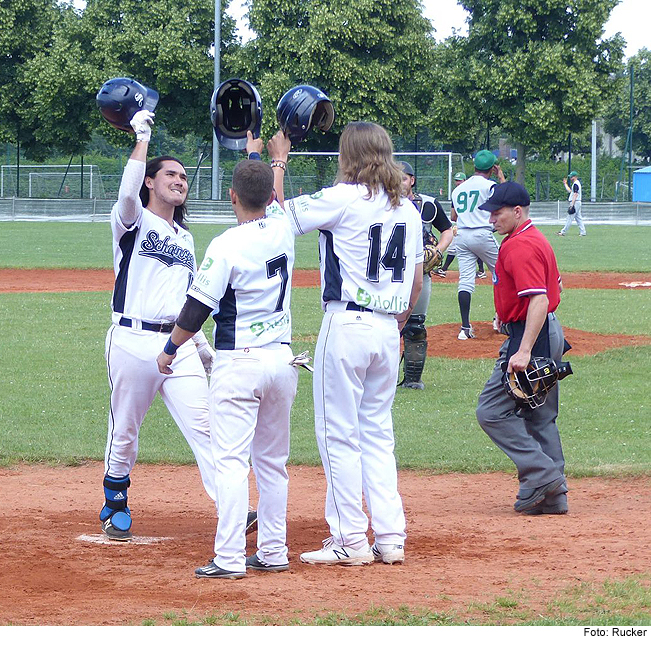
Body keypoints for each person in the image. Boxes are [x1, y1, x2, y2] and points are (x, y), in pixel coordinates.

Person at [270, 122, 423, 566]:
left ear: (349, 156)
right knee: (377, 434)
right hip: (387, 328)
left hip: (347, 322)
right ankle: (391, 537)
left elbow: (277, 218)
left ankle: (349, 539)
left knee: (338, 435)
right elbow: (416, 281)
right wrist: (396, 322)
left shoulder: (343, 197)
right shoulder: (408, 210)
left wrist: (278, 162)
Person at [157, 134, 299, 579]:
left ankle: (230, 557)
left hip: (239, 362)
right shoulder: (282, 227)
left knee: (231, 462)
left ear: (231, 196)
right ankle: (273, 552)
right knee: (273, 465)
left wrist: (170, 348)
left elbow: (198, 307)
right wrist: (270, 157)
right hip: (283, 361)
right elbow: (273, 194)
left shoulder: (226, 244)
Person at [100, 109, 223, 541]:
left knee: (206, 425)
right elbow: (127, 191)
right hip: (131, 338)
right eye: (170, 174)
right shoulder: (131, 221)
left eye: (184, 176)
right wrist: (142, 138)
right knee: (126, 432)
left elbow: (187, 303)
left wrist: (202, 348)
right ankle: (115, 497)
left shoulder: (187, 240)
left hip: (177, 344)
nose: (179, 180)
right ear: (151, 182)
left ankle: (231, 507)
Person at [475, 182, 569, 515]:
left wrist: (524, 348)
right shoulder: (536, 238)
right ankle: (555, 496)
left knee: (491, 411)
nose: (491, 220)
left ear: (517, 211)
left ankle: (543, 476)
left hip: (534, 335)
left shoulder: (519, 246)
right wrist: (508, 313)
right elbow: (553, 287)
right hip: (546, 329)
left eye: (497, 213)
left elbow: (539, 298)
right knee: (541, 417)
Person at [397, 161, 453, 390]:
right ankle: (382, 378)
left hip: (420, 275)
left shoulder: (428, 205)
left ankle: (412, 380)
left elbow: (447, 229)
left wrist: (439, 249)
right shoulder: (378, 204)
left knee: (415, 327)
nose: (398, 182)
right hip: (389, 277)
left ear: (412, 180)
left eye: (403, 178)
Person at [450, 150, 505, 340]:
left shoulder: (458, 189)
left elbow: (453, 217)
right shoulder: (490, 185)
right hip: (482, 233)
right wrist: (501, 177)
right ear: (491, 168)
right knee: (502, 275)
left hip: (462, 234)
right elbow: (507, 199)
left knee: (465, 281)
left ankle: (465, 328)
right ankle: (501, 319)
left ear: (474, 167)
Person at [435, 172, 486, 279]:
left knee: (456, 247)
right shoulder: (469, 191)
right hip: (471, 223)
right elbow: (453, 217)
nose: (458, 182)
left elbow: (454, 216)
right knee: (473, 247)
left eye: (460, 180)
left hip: (464, 225)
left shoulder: (457, 193)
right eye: (456, 180)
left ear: (465, 180)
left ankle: (443, 269)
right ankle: (481, 271)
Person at [558, 171, 586, 236]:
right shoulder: (576, 184)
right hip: (577, 202)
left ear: (575, 177)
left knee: (570, 217)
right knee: (578, 218)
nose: (571, 177)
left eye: (572, 176)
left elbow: (575, 194)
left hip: (575, 202)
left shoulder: (576, 184)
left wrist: (572, 205)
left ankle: (563, 232)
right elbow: (570, 191)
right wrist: (565, 184)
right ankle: (583, 232)